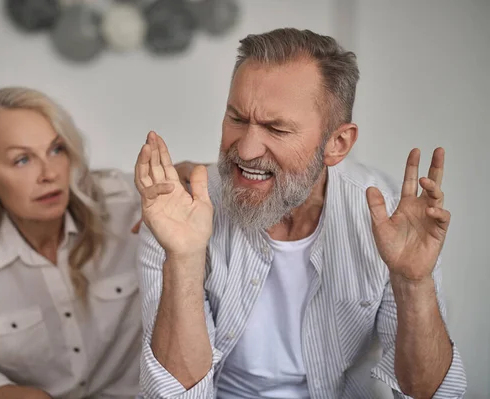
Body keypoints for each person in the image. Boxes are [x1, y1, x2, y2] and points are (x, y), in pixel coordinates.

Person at [134, 28, 467, 398]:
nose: (245, 150)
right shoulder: (176, 207)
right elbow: (173, 395)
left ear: (337, 144)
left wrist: (413, 283)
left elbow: (431, 395)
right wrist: (183, 257)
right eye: (237, 119)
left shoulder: (391, 219)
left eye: (276, 128)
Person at [0, 87, 196, 399]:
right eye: (22, 160)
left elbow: (207, 190)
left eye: (56, 150)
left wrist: (188, 183)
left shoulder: (125, 204)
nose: (49, 173)